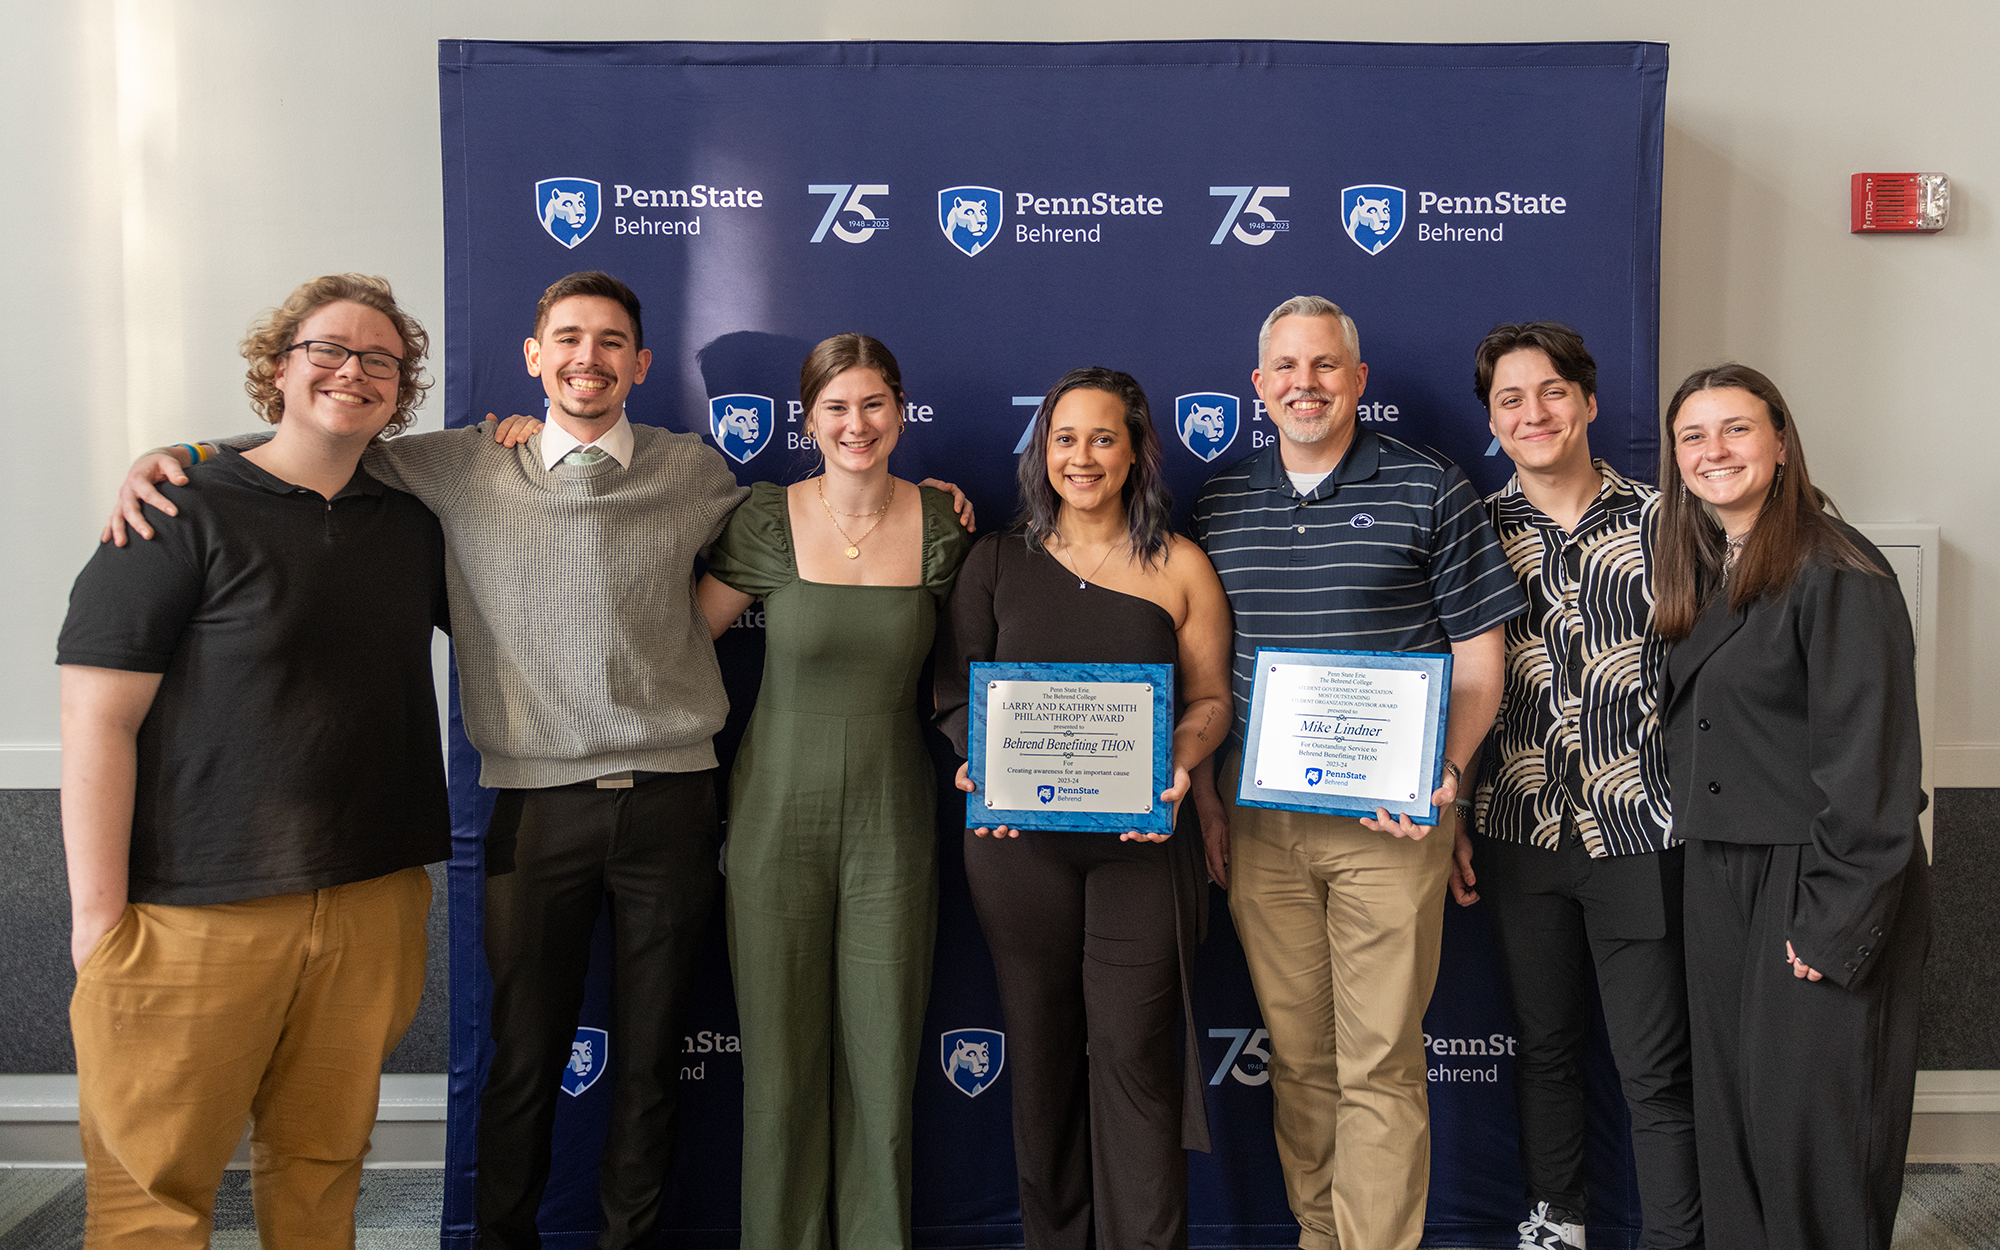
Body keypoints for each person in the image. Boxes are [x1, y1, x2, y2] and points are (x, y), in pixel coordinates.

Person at [106, 272, 746, 1250]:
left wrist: (933, 499)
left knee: (655, 1058)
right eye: (567, 337)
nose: (589, 356)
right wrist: (183, 453)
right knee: (522, 1057)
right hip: (533, 812)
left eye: (611, 341)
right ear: (534, 357)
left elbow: (805, 525)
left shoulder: (693, 469)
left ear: (640, 363)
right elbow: (309, 450)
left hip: (673, 802)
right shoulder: (452, 466)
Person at [59, 274, 449, 1247]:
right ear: (278, 365)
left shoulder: (414, 523)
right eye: (327, 348)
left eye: (379, 359)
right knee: (153, 1194)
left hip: (371, 901)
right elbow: (94, 718)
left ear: (400, 391)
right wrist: (99, 919)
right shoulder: (177, 505)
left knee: (323, 1171)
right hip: (190, 910)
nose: (351, 371)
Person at [1188, 296, 1525, 1250]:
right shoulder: (1219, 499)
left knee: (1379, 1063)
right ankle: (1319, 1235)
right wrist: (1207, 795)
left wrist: (1445, 778)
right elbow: (1207, 672)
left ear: (1358, 380)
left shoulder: (1430, 487)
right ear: (1259, 387)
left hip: (1392, 825)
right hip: (1260, 826)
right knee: (1299, 1059)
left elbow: (1481, 662)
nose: (1307, 384)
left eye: (1326, 366)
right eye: (1287, 368)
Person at [935, 367, 1233, 1250]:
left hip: (1142, 840)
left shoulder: (1179, 563)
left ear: (1137, 451)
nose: (1082, 456)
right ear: (1041, 451)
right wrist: (974, 761)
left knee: (1138, 1058)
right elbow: (957, 693)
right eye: (1064, 438)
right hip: (1018, 843)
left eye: (1104, 437)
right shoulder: (993, 559)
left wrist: (1176, 762)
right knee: (1042, 1057)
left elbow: (1213, 701)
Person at [1657, 364, 1929, 1250]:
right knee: (1736, 1129)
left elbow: (1875, 772)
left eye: (1736, 429)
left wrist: (1833, 923)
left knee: (1812, 1138)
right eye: (1693, 437)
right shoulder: (1709, 566)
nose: (1713, 452)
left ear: (1780, 443)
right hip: (1720, 870)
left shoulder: (1838, 568)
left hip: (1813, 875)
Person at [1453, 323, 1699, 1250]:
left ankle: (1678, 1235)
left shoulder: (1668, 522)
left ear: (1589, 402)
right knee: (1546, 1052)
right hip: (1519, 832)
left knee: (1653, 1067)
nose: (1533, 412)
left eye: (1551, 391)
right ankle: (1557, 1227)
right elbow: (1460, 686)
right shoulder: (1473, 530)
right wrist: (1459, 815)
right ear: (1493, 421)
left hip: (1642, 833)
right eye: (1510, 399)